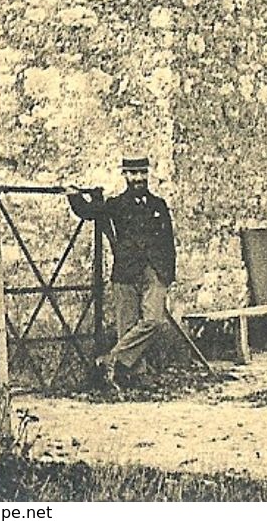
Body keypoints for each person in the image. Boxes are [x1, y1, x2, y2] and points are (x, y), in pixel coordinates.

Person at [66, 156, 175, 388]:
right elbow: (88, 212)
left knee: (153, 320)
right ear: (125, 175)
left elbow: (168, 241)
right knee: (127, 326)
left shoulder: (158, 205)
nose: (138, 178)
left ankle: (110, 360)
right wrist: (73, 195)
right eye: (132, 174)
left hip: (154, 271)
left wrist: (168, 274)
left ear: (147, 174)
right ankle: (136, 375)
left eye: (141, 173)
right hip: (125, 271)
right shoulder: (116, 204)